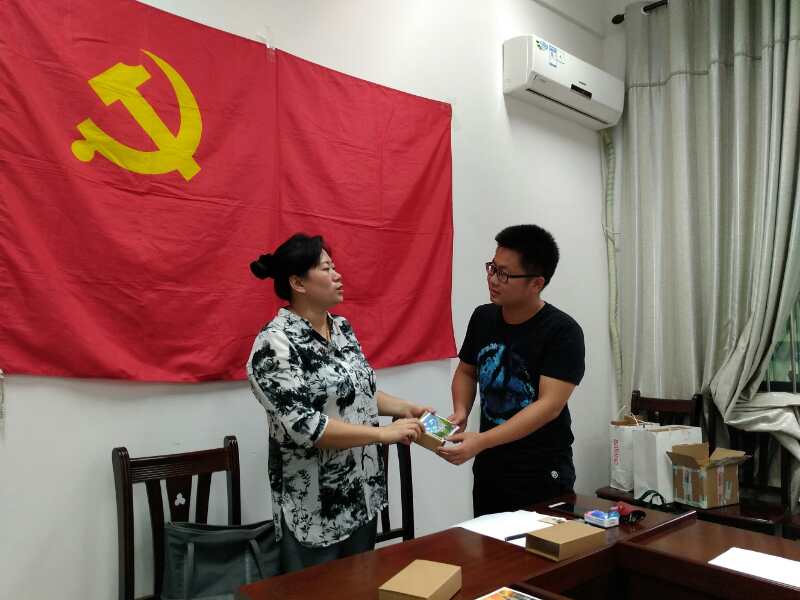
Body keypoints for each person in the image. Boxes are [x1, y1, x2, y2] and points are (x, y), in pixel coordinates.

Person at [247, 233, 427, 573]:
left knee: (362, 588)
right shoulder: (274, 344)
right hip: (314, 508)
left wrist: (405, 408)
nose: (338, 275)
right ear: (298, 283)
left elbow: (358, 392)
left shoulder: (341, 328)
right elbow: (307, 428)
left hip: (362, 495)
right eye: (326, 268)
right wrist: (382, 434)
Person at [438, 224, 585, 516]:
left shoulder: (563, 332)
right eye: (492, 268)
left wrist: (481, 440)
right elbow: (467, 372)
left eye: (504, 274)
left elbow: (549, 406)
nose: (493, 279)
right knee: (488, 544)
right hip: (490, 468)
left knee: (541, 546)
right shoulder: (483, 317)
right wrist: (461, 411)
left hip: (540, 472)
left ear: (536, 283)